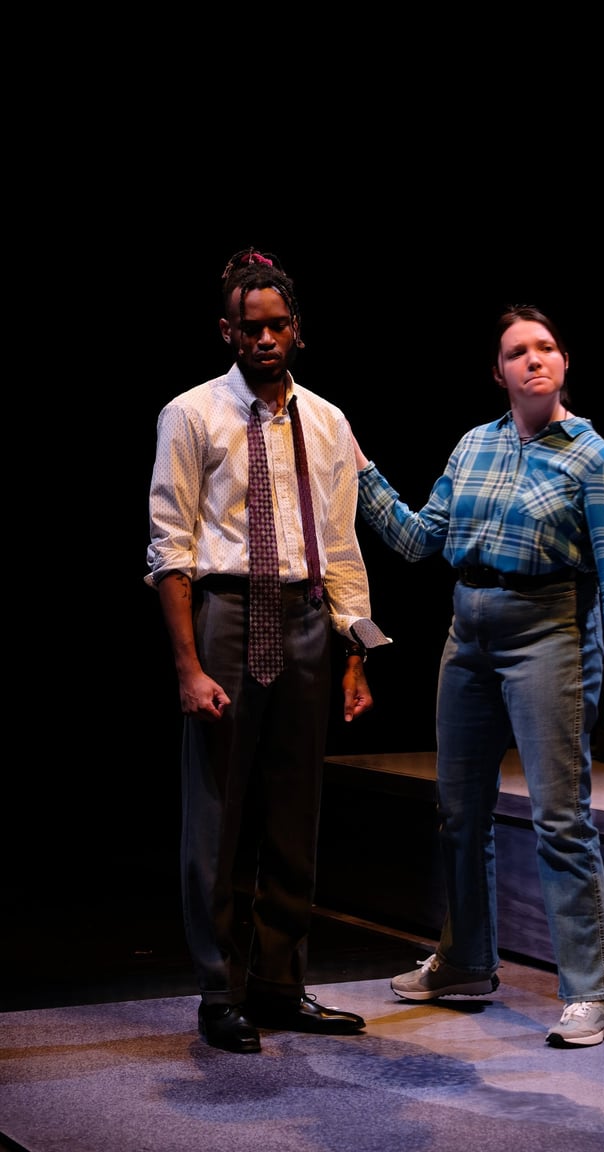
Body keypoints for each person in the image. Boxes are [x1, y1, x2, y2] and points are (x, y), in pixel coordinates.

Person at [348, 303, 604, 1047]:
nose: (533, 359)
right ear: (499, 372)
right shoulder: (474, 445)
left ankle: (593, 994)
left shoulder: (593, 458)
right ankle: (465, 961)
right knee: (459, 811)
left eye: (545, 348)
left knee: (560, 817)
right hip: (468, 634)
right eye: (518, 352)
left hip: (548, 632)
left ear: (564, 363)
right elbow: (420, 541)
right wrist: (360, 472)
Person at [145, 247, 390, 1053]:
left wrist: (357, 651)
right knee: (217, 810)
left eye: (278, 325)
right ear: (228, 331)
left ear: (297, 330)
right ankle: (220, 991)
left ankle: (281, 983)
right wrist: (187, 666)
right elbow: (170, 548)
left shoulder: (327, 420)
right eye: (251, 328)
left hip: (308, 616)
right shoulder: (192, 415)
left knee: (295, 808)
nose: (265, 339)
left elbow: (342, 545)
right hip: (226, 610)